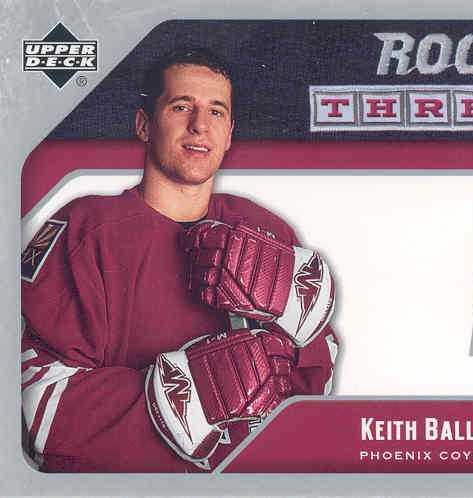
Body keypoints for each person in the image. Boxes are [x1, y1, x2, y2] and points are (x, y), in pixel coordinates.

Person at [20, 48, 339, 473]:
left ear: (229, 134)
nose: (200, 125)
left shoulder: (265, 229)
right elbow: (34, 401)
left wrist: (301, 326)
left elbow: (315, 381)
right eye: (181, 106)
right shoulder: (87, 229)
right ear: (144, 125)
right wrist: (188, 400)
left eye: (216, 112)